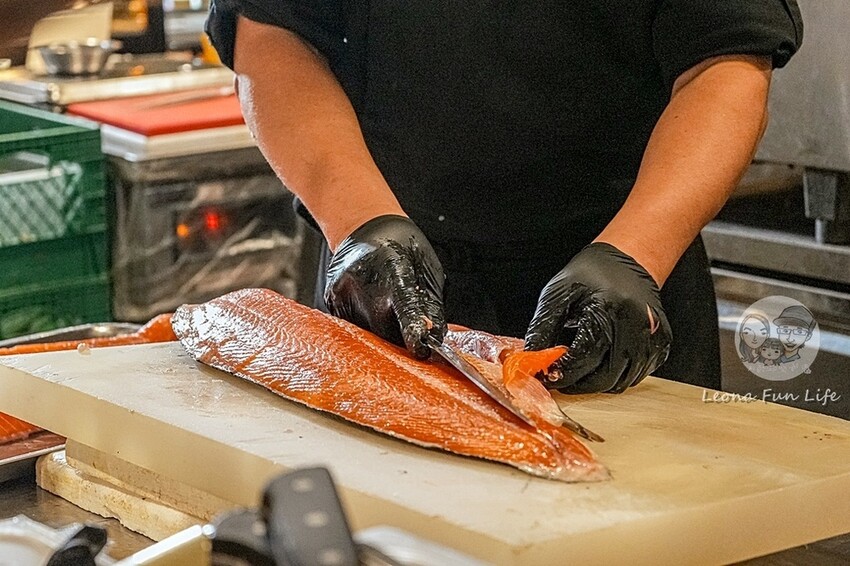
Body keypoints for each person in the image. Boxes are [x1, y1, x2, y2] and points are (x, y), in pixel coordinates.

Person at [206, 2, 803, 393]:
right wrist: (358, 222)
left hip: (616, 290)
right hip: (378, 284)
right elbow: (273, 34)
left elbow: (724, 65)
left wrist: (636, 252)